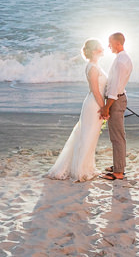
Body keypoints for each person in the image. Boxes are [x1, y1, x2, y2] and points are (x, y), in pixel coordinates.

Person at [46, 39, 107, 182]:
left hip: (96, 103)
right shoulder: (92, 68)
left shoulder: (96, 66)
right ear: (93, 51)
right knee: (87, 136)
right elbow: (95, 91)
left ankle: (88, 167)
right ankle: (81, 171)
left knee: (90, 136)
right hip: (94, 105)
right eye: (100, 47)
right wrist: (104, 107)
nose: (103, 49)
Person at [99, 32, 133, 180]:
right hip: (120, 98)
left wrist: (107, 106)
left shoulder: (120, 61)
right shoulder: (123, 58)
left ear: (118, 43)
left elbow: (114, 88)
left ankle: (118, 172)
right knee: (119, 136)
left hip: (116, 100)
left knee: (117, 137)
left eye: (110, 43)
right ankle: (118, 165)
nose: (108, 46)